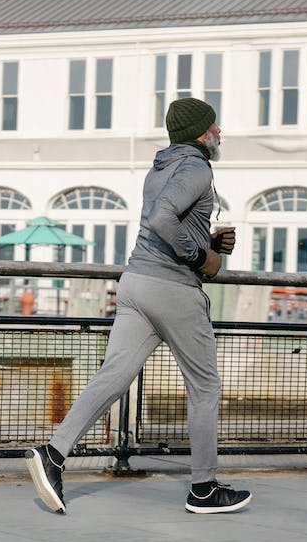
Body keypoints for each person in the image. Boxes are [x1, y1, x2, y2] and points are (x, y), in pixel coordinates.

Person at [25, 97, 250, 515]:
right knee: (205, 388)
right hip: (173, 290)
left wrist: (210, 242)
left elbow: (168, 221)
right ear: (202, 132)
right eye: (215, 126)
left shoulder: (160, 167)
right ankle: (203, 488)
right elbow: (163, 219)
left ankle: (53, 455)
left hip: (136, 283)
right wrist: (200, 257)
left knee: (113, 376)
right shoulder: (198, 167)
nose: (220, 133)